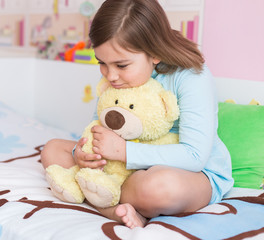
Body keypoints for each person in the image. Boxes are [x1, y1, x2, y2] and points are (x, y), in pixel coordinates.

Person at [41, 0, 233, 229]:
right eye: (102, 63)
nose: (110, 76)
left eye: (121, 65)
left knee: (158, 188)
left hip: (192, 174)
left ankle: (104, 201)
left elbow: (194, 156)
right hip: (125, 170)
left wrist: (124, 151)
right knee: (52, 149)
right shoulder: (117, 78)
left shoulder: (190, 76)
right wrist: (82, 153)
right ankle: (112, 204)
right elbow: (98, 126)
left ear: (154, 53)